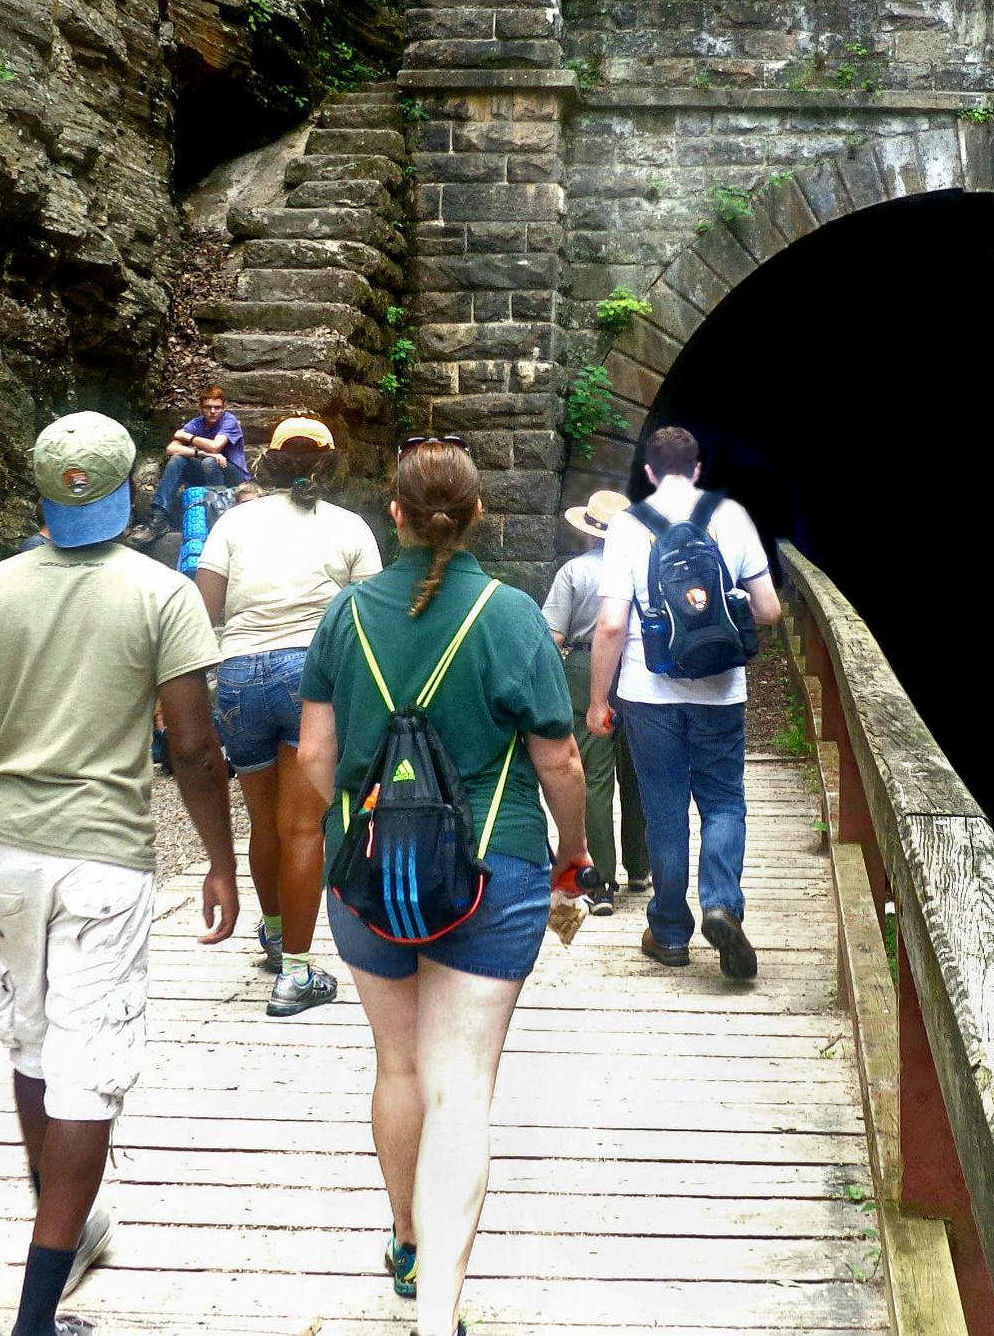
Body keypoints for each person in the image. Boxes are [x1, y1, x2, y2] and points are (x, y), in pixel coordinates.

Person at [0, 411, 238, 1336]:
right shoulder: (163, 594)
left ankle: (63, 1234)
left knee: (32, 1051)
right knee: (88, 1075)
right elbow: (193, 750)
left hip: (11, 857)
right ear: (128, 494)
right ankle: (37, 1317)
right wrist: (222, 864)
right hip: (105, 858)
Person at [298, 438, 588, 1336]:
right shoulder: (509, 617)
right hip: (493, 872)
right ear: (476, 517)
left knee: (398, 1066)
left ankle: (406, 1240)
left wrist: (361, 819)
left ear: (393, 513)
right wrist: (571, 861)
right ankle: (439, 1316)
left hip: (368, 875)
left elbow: (312, 758)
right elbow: (561, 761)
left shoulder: (344, 616)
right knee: (460, 1085)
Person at [194, 416, 380, 1017]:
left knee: (264, 822)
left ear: (268, 462)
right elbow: (367, 619)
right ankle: (297, 974)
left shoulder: (234, 522)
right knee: (304, 828)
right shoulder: (350, 528)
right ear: (328, 465)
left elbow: (205, 610)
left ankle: (275, 935)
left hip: (241, 673)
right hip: (314, 679)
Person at [587, 425, 780, 979]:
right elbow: (768, 611)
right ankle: (721, 904)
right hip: (720, 691)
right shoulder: (733, 516)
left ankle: (670, 933)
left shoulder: (628, 524)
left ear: (648, 472)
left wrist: (598, 701)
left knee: (665, 813)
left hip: (648, 693)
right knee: (723, 803)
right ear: (697, 469)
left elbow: (610, 624)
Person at [541, 490, 648, 918]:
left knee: (597, 781)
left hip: (586, 672)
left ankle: (601, 883)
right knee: (637, 774)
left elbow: (553, 637)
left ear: (588, 530)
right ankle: (641, 868)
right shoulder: (642, 566)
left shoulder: (574, 572)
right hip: (638, 671)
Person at [145, 384, 248, 535]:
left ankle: (217, 515)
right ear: (201, 407)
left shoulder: (229, 420)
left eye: (217, 407)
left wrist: (189, 437)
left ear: (224, 407)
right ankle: (159, 517)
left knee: (210, 462)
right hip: (207, 472)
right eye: (208, 407)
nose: (213, 411)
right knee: (177, 460)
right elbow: (171, 448)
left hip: (233, 477)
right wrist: (200, 453)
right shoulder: (196, 423)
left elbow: (215, 447)